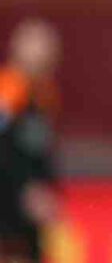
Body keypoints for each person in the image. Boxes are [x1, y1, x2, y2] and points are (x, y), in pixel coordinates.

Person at [0, 18, 61, 263]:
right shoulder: (7, 92)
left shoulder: (45, 95)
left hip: (28, 221)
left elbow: (41, 152)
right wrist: (24, 189)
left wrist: (47, 189)